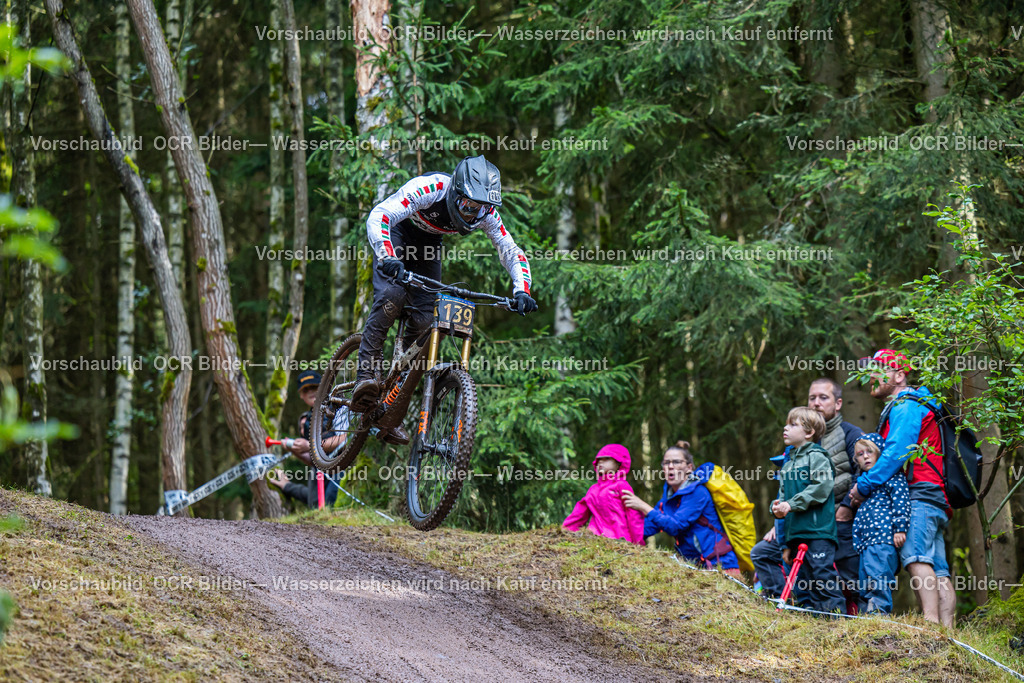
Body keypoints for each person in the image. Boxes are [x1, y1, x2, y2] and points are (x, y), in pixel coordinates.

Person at [350, 155, 539, 442]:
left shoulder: (486, 214)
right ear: (455, 193)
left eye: (480, 209)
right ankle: (365, 373)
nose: (472, 215)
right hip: (398, 233)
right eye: (467, 206)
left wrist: (522, 290)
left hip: (429, 246)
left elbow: (510, 251)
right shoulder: (431, 188)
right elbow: (381, 215)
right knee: (393, 295)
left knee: (427, 321)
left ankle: (390, 408)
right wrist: (387, 255)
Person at [849, 349, 954, 627]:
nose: (870, 375)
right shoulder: (918, 403)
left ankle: (931, 627)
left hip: (918, 492)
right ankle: (950, 634)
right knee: (938, 567)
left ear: (899, 375)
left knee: (915, 558)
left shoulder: (906, 405)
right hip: (933, 494)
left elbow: (896, 452)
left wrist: (865, 485)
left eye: (879, 369)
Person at [751, 378, 864, 607]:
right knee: (792, 568)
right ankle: (793, 606)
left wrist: (846, 506)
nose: (816, 403)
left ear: (838, 403)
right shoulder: (792, 454)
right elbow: (786, 488)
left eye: (823, 397)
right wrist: (779, 513)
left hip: (832, 521)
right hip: (797, 523)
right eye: (812, 398)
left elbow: (862, 472)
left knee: (828, 574)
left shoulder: (850, 434)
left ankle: (845, 615)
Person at [622, 441, 742, 578]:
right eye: (666, 463)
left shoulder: (698, 493)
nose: (671, 466)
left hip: (721, 567)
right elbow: (645, 529)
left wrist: (643, 506)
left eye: (677, 462)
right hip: (694, 569)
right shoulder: (667, 501)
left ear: (689, 468)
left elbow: (676, 526)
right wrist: (615, 533)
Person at [771, 407, 845, 613]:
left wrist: (791, 504)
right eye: (787, 423)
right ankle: (817, 621)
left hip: (818, 531)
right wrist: (777, 508)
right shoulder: (787, 465)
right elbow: (783, 497)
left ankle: (837, 620)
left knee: (823, 576)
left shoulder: (817, 456)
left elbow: (821, 487)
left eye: (792, 424)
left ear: (809, 432)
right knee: (806, 580)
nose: (785, 428)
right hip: (796, 533)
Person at [852, 432, 910, 614]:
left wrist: (900, 529)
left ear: (880, 453)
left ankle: (879, 614)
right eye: (860, 454)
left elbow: (901, 501)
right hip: (865, 543)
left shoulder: (892, 476)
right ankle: (867, 616)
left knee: (879, 578)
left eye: (869, 451)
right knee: (865, 582)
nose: (865, 456)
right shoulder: (864, 485)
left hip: (883, 539)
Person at [268, 370, 340, 510]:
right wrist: (294, 450)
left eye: (314, 387)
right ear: (301, 395)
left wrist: (311, 445)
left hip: (340, 466)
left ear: (323, 387)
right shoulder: (305, 421)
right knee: (315, 504)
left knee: (332, 501)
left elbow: (347, 440)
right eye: (305, 390)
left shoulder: (337, 408)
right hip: (319, 472)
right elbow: (313, 458)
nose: (311, 392)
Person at [562, 444, 645, 545]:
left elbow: (633, 516)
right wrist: (564, 531)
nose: (600, 462)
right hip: (594, 539)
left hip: (620, 539)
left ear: (619, 464)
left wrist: (638, 543)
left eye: (606, 459)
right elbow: (579, 514)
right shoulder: (593, 490)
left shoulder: (622, 486)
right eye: (598, 460)